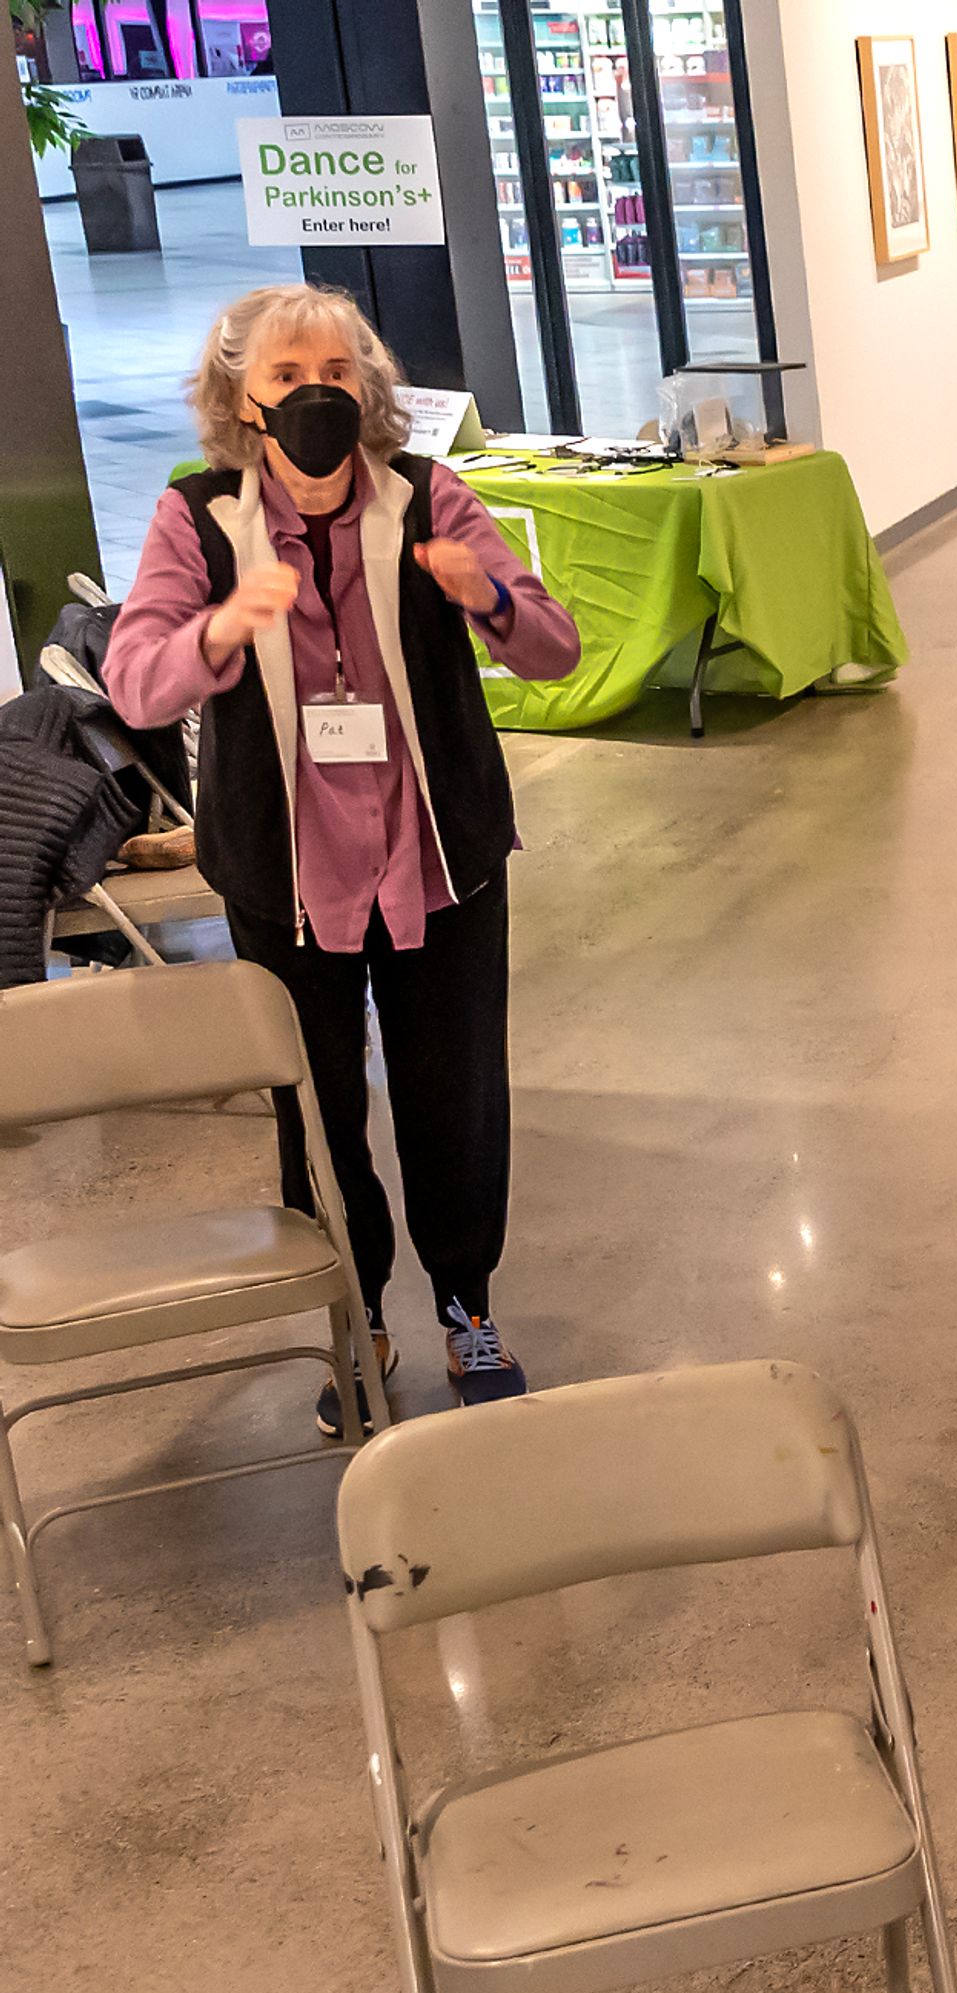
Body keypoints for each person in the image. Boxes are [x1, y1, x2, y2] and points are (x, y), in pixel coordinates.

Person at [104, 282, 578, 1428]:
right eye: (285, 377)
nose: (316, 396)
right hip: (285, 875)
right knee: (312, 1108)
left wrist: (492, 596)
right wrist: (220, 628)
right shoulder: (198, 518)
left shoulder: (429, 497)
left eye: (335, 376)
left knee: (454, 1097)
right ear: (238, 398)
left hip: (439, 858)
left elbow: (555, 646)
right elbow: (135, 678)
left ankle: (466, 1306)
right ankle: (352, 1314)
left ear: (366, 388)